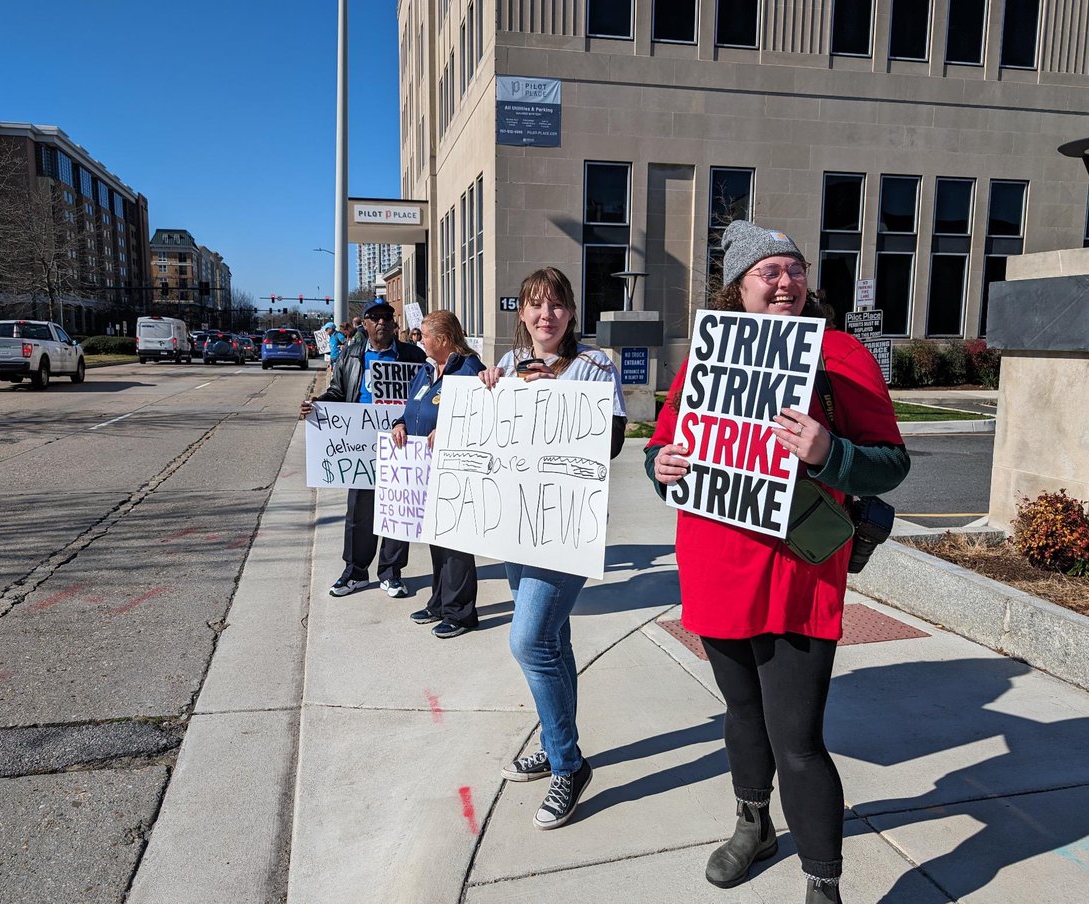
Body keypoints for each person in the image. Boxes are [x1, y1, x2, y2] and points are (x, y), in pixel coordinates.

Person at [645, 220, 909, 904]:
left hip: (797, 566)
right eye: (770, 271)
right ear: (740, 286)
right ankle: (753, 824)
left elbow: (891, 463)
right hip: (714, 559)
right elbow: (664, 448)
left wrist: (831, 453)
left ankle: (823, 880)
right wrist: (661, 465)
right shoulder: (704, 357)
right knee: (740, 711)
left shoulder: (841, 353)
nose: (785, 281)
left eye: (794, 269)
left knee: (797, 734)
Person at [479, 266, 627, 831]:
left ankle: (568, 763)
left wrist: (554, 402)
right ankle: (554, 738)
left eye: (557, 305)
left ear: (571, 312)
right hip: (516, 521)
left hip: (567, 521)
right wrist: (492, 394)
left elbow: (610, 442)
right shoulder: (509, 366)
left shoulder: (595, 366)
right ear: (521, 313)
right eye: (536, 306)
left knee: (529, 639)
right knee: (554, 640)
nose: (547, 316)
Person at [301, 299, 427, 598]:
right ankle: (355, 572)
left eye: (386, 317)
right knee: (359, 513)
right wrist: (318, 404)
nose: (381, 322)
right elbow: (337, 391)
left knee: (398, 508)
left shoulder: (413, 356)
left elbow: (426, 391)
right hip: (360, 446)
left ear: (394, 324)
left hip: (401, 441)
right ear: (365, 324)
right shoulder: (351, 355)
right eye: (374, 318)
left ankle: (391, 572)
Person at [389, 310, 485, 638]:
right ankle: (440, 601)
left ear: (442, 339)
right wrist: (400, 423)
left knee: (455, 543)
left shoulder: (470, 369)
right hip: (424, 470)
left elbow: (484, 418)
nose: (419, 340)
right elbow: (411, 408)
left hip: (455, 472)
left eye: (424, 335)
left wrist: (451, 431)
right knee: (436, 540)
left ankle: (461, 613)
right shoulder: (427, 369)